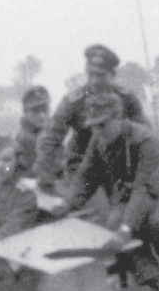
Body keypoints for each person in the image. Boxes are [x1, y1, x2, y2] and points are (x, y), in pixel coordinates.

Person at [59, 93, 159, 291]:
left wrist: (126, 228)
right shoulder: (100, 140)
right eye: (93, 126)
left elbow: (146, 189)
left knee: (157, 224)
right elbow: (86, 175)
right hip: (135, 193)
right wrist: (67, 203)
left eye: (102, 124)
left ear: (118, 118)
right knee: (114, 224)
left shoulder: (145, 141)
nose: (97, 131)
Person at [33, 44, 148, 193]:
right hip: (81, 167)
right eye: (90, 74)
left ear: (113, 75)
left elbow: (144, 133)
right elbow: (50, 139)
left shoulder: (127, 99)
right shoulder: (73, 102)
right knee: (98, 213)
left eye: (100, 75)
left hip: (119, 167)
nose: (94, 80)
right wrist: (45, 179)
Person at [15, 86, 51, 179]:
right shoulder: (24, 139)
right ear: (25, 113)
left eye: (45, 109)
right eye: (36, 111)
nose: (42, 116)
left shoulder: (54, 131)